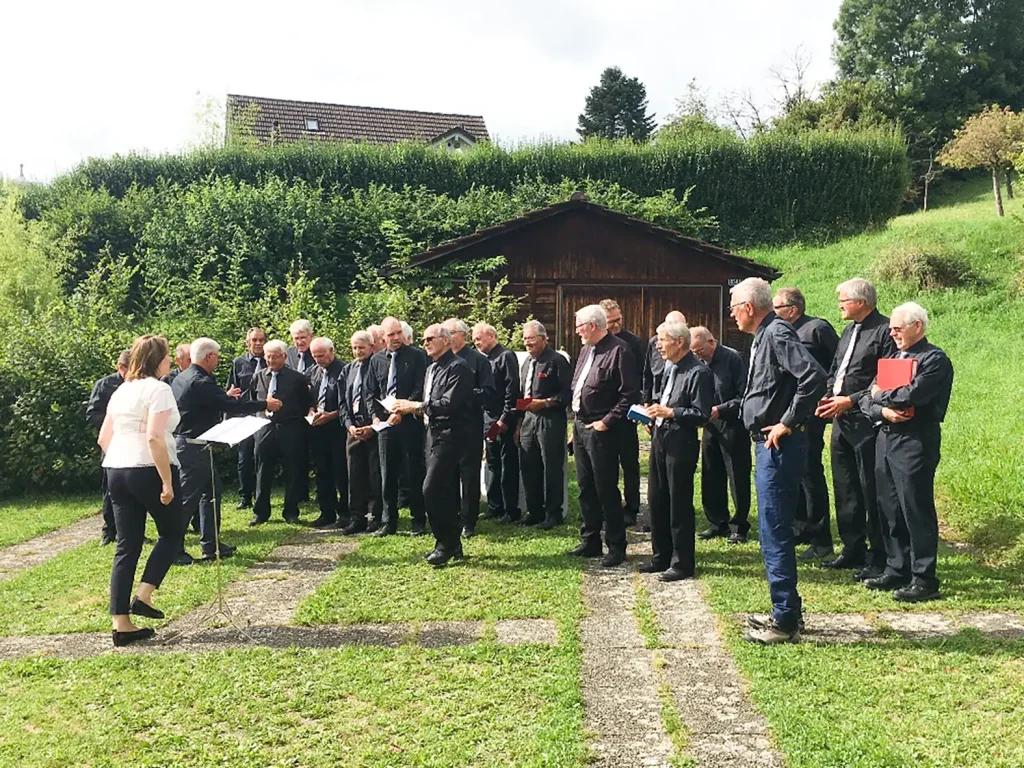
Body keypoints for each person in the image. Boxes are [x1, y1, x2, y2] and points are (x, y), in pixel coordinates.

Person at [731, 278, 826, 645]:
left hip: (779, 447)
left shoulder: (777, 334)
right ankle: (785, 610)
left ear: (749, 307)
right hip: (767, 446)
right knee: (772, 527)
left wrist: (788, 421)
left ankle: (785, 620)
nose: (732, 315)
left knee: (774, 528)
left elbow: (813, 376)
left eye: (734, 307)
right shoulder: (764, 335)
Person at [860, 302, 953, 602]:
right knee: (888, 505)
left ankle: (924, 578)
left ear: (918, 327)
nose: (893, 333)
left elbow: (913, 394)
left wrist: (880, 397)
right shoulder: (891, 357)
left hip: (915, 440)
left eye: (899, 328)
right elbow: (865, 398)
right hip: (885, 437)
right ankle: (896, 566)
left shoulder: (934, 360)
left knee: (915, 507)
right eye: (891, 329)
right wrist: (883, 409)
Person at [98, 335, 185, 647]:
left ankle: (121, 623)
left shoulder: (121, 390)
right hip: (147, 468)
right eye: (167, 357)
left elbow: (103, 438)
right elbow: (153, 437)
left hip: (116, 468)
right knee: (173, 532)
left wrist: (120, 460)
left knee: (127, 544)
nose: (171, 362)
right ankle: (144, 596)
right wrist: (165, 481)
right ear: (157, 360)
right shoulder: (159, 389)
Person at [172, 337, 281, 562]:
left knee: (211, 493)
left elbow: (210, 403)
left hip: (193, 444)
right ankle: (173, 550)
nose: (218, 361)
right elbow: (231, 406)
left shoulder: (183, 377)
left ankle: (211, 545)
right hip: (193, 447)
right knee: (188, 500)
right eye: (217, 357)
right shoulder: (200, 381)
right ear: (209, 357)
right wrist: (264, 404)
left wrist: (224, 397)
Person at [816, 279, 896, 580]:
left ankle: (878, 555)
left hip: (867, 420)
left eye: (843, 300)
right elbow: (837, 367)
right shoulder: (849, 330)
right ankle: (852, 548)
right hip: (841, 421)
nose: (839, 304)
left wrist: (849, 400)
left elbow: (884, 380)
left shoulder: (886, 331)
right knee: (845, 484)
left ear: (862, 302)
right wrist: (828, 394)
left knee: (869, 487)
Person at [390, 324, 474, 566]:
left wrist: (413, 406)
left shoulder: (458, 368)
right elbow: (431, 401)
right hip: (432, 433)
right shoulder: (432, 368)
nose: (425, 343)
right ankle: (453, 541)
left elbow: (449, 404)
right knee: (443, 489)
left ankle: (444, 543)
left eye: (430, 339)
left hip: (451, 434)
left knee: (432, 488)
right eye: (424, 339)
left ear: (446, 340)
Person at [568, 304, 640, 567]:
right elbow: (578, 387)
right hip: (581, 426)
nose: (577, 331)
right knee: (586, 487)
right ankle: (590, 540)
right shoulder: (587, 349)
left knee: (605, 488)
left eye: (580, 326)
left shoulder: (619, 350)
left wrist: (606, 422)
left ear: (594, 326)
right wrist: (575, 425)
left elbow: (629, 394)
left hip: (603, 430)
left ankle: (616, 545)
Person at [641, 320, 713, 581]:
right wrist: (652, 413)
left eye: (662, 340)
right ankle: (660, 556)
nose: (658, 345)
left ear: (679, 342)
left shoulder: (698, 372)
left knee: (678, 503)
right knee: (657, 499)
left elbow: (701, 414)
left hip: (681, 444)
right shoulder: (670, 368)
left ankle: (682, 562)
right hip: (661, 438)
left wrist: (671, 412)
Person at [773, 287, 840, 560]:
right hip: (787, 412)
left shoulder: (817, 329)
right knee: (795, 472)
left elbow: (837, 365)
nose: (773, 313)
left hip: (811, 413)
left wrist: (827, 395)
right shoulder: (778, 332)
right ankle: (799, 527)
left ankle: (821, 537)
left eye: (777, 308)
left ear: (793, 309)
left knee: (811, 473)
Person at [690, 327, 752, 544]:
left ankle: (739, 526)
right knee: (711, 474)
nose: (698, 355)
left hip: (733, 424)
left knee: (737, 475)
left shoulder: (733, 359)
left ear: (712, 341)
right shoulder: (697, 362)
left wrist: (720, 409)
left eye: (700, 350)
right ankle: (717, 522)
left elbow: (744, 395)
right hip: (709, 426)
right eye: (694, 352)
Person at [367, 317, 428, 536]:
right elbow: (371, 393)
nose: (395, 338)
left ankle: (418, 519)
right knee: (387, 473)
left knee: (413, 471)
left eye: (398, 333)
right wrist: (376, 417)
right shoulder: (376, 360)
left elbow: (420, 388)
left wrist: (403, 410)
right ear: (382, 337)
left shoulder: (417, 356)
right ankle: (388, 521)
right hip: (385, 425)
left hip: (409, 423)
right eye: (391, 335)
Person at [443, 318, 496, 537]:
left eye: (450, 332)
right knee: (448, 473)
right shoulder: (441, 361)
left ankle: (469, 520)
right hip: (444, 427)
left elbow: (488, 392)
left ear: (463, 335)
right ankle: (452, 514)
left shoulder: (478, 360)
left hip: (469, 424)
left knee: (469, 474)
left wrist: (463, 396)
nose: (447, 336)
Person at [251, 340, 313, 525]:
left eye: (275, 357)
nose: (270, 360)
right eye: (267, 356)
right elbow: (253, 400)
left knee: (292, 470)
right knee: (263, 470)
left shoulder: (297, 379)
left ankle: (291, 511)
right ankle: (260, 512)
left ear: (284, 357)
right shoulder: (259, 376)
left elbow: (305, 403)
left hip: (289, 428)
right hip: (265, 429)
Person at [518, 321, 572, 528]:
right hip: (528, 420)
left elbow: (567, 393)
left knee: (551, 465)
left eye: (531, 338)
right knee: (528, 464)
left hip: (550, 419)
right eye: (524, 339)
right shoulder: (526, 363)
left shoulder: (557, 361)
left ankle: (553, 513)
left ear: (543, 338)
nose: (527, 342)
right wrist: (518, 424)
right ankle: (534, 510)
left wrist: (547, 402)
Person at [600, 299, 646, 526]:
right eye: (611, 322)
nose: (616, 325)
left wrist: (641, 406)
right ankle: (606, 505)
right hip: (602, 412)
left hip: (627, 412)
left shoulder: (634, 343)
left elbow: (642, 377)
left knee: (629, 463)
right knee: (603, 464)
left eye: (618, 320)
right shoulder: (596, 344)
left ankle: (632, 507)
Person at [473, 322, 522, 525]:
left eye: (479, 338)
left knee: (507, 463)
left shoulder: (505, 356)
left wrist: (504, 419)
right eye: (474, 339)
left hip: (503, 418)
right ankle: (495, 505)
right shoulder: (484, 360)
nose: (476, 342)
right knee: (492, 462)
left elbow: (512, 390)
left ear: (492, 336)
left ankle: (511, 509)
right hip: (487, 417)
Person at [339, 331, 382, 534]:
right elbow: (343, 403)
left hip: (373, 429)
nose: (358, 351)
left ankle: (377, 516)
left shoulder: (378, 366)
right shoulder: (348, 370)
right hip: (354, 430)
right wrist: (349, 426)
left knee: (375, 475)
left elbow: (382, 398)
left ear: (372, 347)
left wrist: (372, 427)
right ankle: (357, 518)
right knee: (354, 476)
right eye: (354, 347)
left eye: (361, 347)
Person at [86, 349, 130, 546]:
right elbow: (92, 415)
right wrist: (116, 422)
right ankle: (109, 530)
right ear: (122, 368)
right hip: (112, 442)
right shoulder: (104, 385)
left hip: (133, 443)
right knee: (110, 488)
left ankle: (129, 529)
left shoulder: (137, 385)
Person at [307, 337, 350, 529]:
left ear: (332, 351)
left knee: (340, 471)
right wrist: (310, 411)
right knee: (322, 471)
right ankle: (327, 512)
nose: (318, 360)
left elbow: (351, 403)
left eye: (321, 355)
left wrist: (331, 415)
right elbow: (308, 398)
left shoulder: (345, 370)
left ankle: (346, 512)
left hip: (338, 428)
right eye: (314, 356)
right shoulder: (312, 372)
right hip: (317, 429)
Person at [227, 327, 268, 510]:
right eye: (254, 340)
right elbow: (231, 390)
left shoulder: (271, 359)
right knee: (244, 459)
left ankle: (262, 496)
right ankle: (245, 497)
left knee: (263, 457)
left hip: (265, 416)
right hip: (244, 417)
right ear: (247, 343)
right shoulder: (239, 363)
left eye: (261, 340)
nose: (258, 343)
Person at [643, 311, 687, 405]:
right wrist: (646, 400)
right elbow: (647, 373)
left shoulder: (690, 347)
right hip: (657, 400)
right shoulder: (654, 343)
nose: (659, 345)